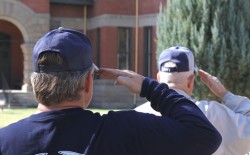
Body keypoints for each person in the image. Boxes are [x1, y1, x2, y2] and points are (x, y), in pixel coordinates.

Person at [0, 28, 222, 155]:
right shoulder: (123, 131)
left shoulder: (5, 141)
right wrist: (150, 87)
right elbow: (205, 136)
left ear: (35, 82)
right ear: (88, 82)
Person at [135, 46, 250, 155]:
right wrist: (224, 93)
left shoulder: (138, 115)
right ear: (191, 81)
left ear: (158, 78)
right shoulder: (210, 113)